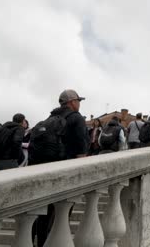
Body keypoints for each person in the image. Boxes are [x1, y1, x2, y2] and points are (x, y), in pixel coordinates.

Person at [31, 89, 88, 246]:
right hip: (66, 170)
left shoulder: (50, 118)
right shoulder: (76, 118)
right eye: (78, 100)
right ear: (71, 102)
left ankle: (40, 242)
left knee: (44, 212)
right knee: (63, 211)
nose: (79, 103)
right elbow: (81, 148)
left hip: (47, 169)